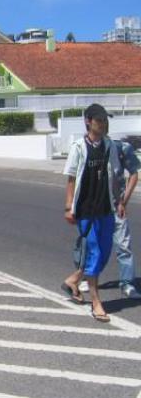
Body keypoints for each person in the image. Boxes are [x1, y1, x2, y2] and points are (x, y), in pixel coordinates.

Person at [61, 104, 123, 322]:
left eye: (105, 120)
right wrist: (69, 207)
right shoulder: (79, 147)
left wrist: (120, 201)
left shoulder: (109, 146)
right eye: (99, 120)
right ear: (88, 121)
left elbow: (115, 175)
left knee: (105, 252)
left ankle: (74, 279)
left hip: (105, 207)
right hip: (86, 209)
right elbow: (70, 179)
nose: (104, 124)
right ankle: (96, 302)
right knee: (95, 251)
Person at [79, 134, 140, 297]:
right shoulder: (87, 148)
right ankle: (86, 277)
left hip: (115, 206)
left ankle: (127, 283)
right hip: (95, 208)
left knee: (124, 246)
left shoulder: (121, 148)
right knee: (93, 245)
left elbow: (134, 174)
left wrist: (124, 201)